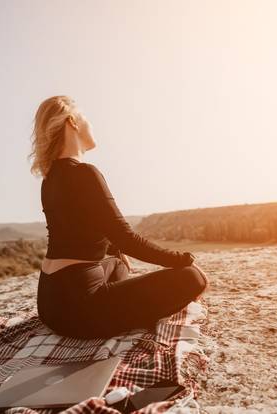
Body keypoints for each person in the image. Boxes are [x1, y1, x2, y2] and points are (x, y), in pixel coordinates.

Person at [28, 95, 209, 339]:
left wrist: (114, 248)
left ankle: (116, 301)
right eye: (86, 118)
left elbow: (79, 227)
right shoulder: (84, 173)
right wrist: (182, 260)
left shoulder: (51, 180)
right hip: (78, 312)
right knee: (193, 278)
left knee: (118, 263)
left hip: (50, 304)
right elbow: (126, 237)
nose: (90, 125)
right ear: (72, 122)